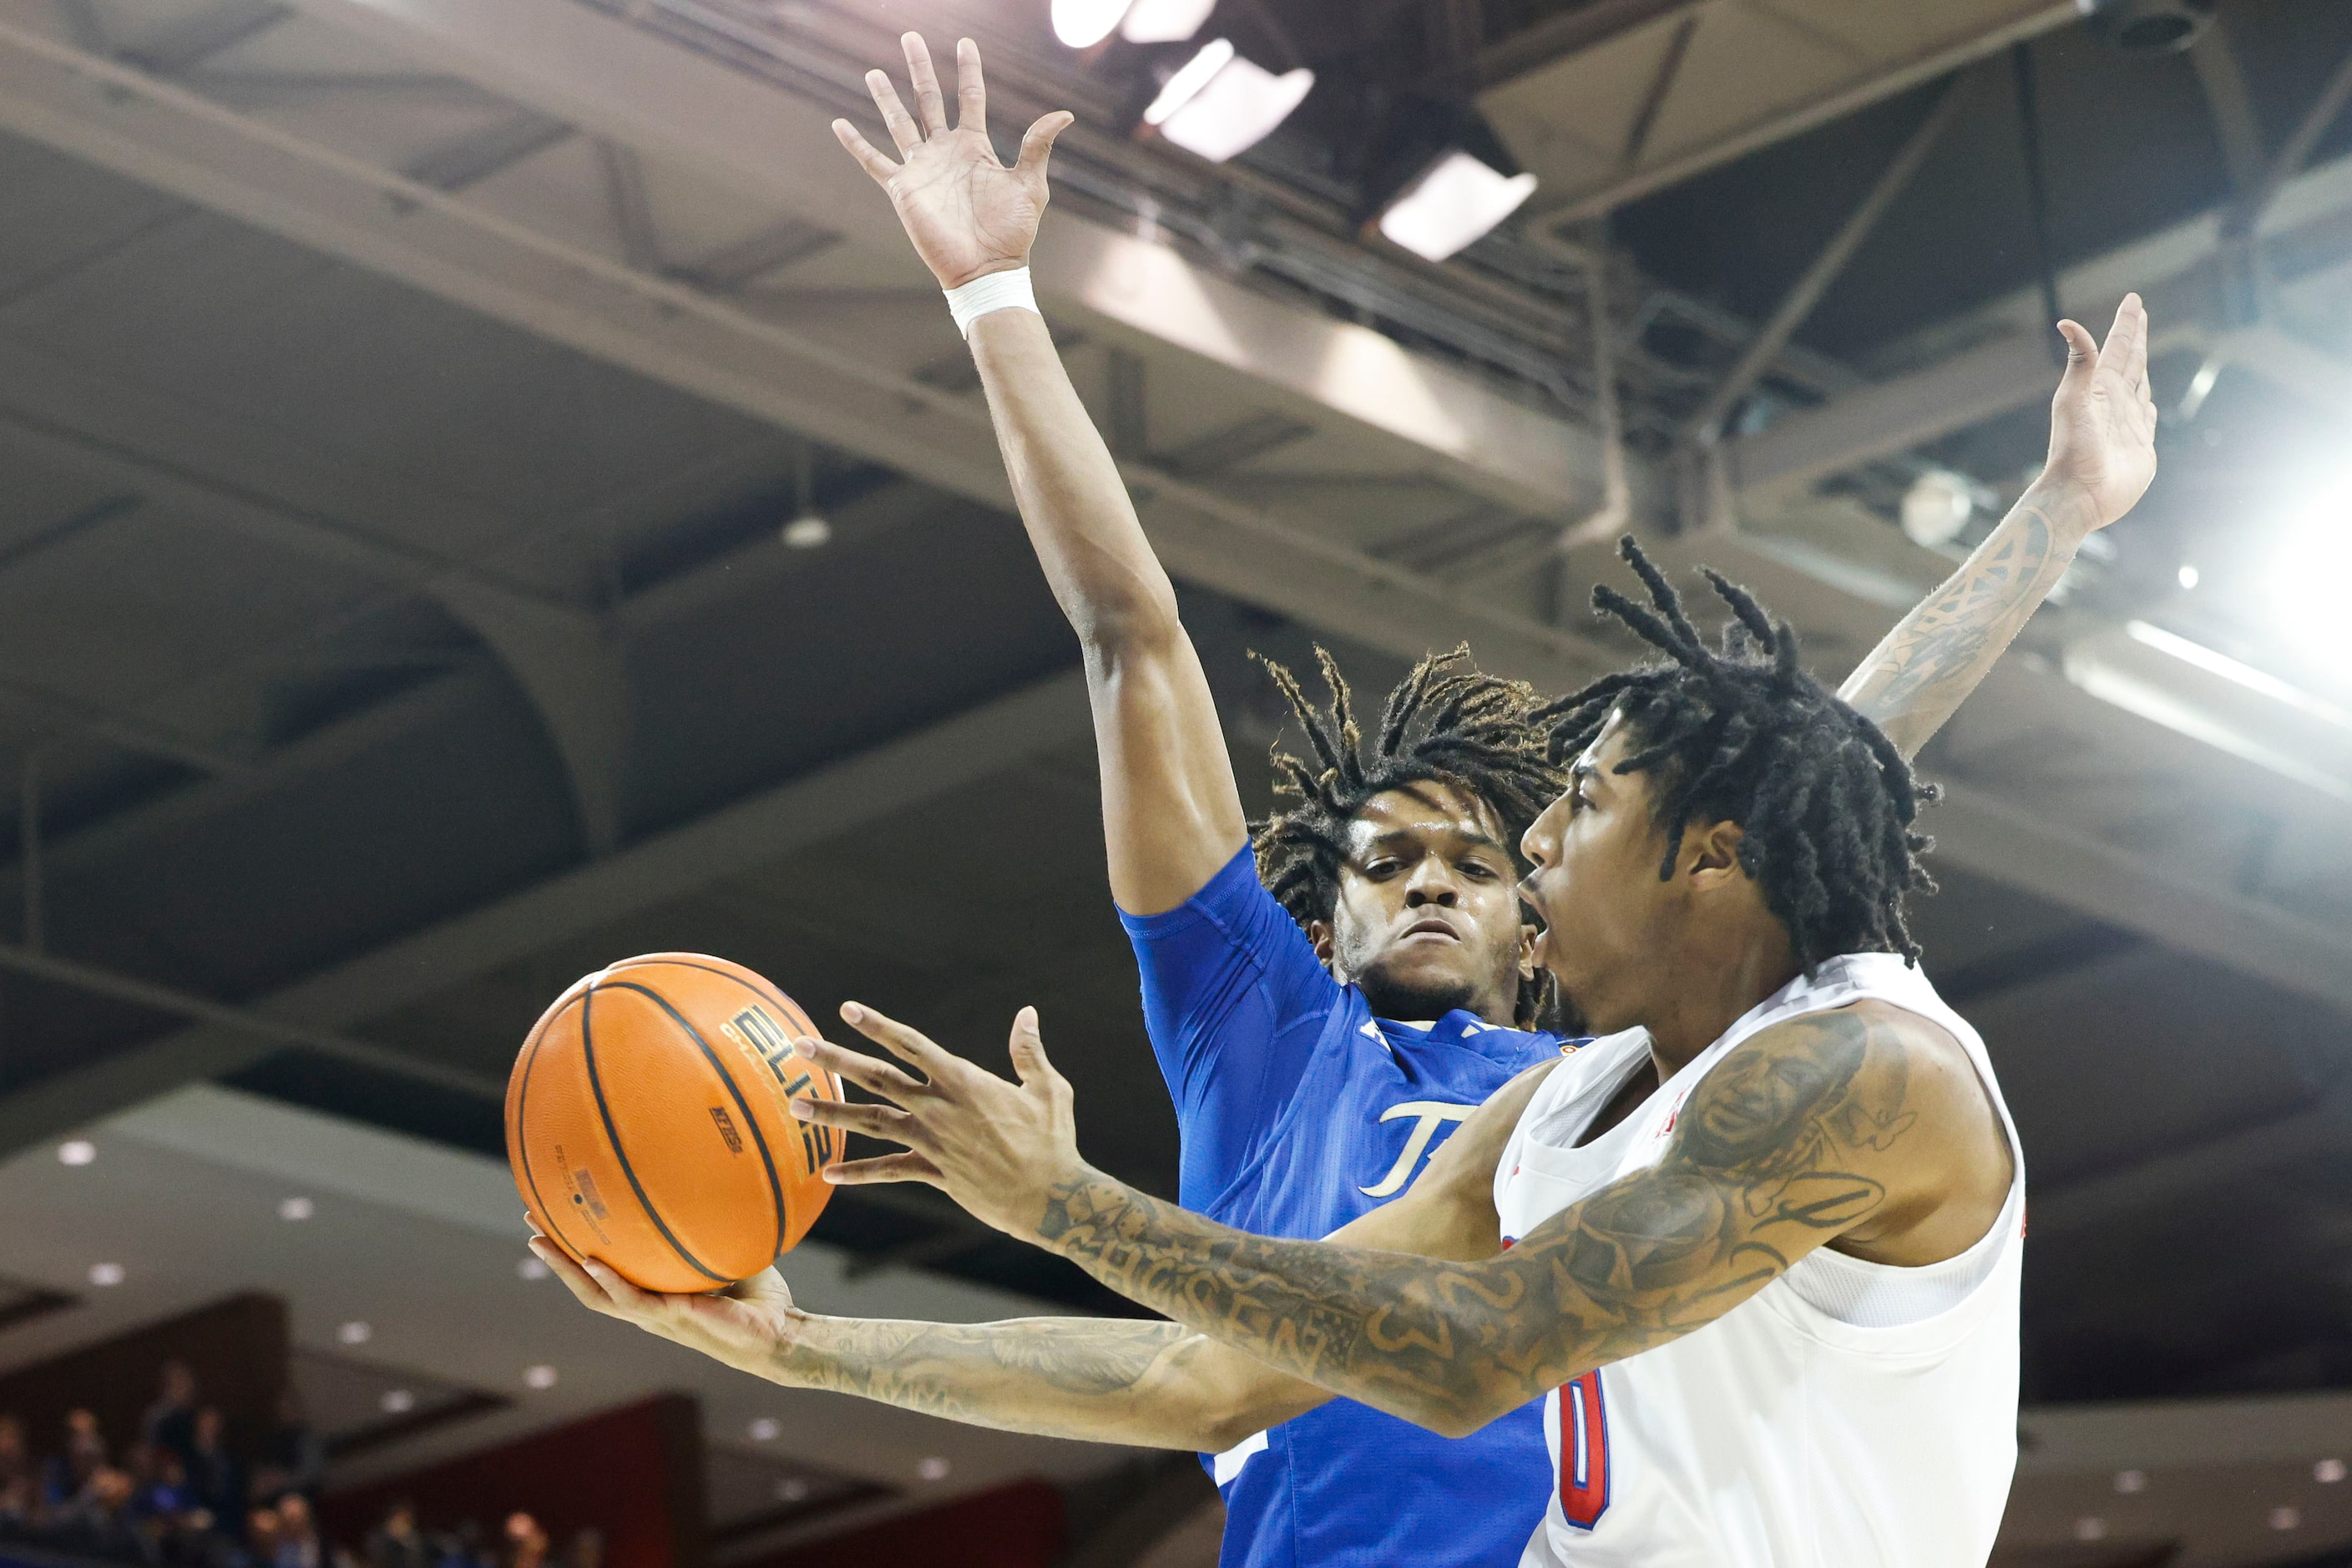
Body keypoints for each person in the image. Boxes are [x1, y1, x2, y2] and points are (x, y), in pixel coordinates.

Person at [534, 30, 2158, 1568]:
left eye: (1562, 814)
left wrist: (1062, 1202)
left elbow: (1473, 1357)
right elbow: (1202, 1385)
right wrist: (799, 1344)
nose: (1517, 846)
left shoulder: (1849, 1069)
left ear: (1702, 867)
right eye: (1403, 856)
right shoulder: (1523, 1103)